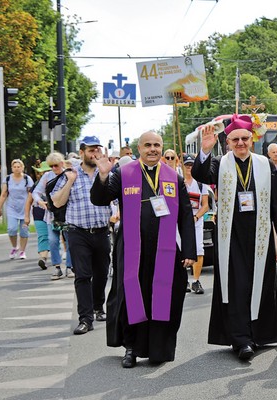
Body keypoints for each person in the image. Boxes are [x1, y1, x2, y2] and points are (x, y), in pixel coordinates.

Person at [91, 131, 196, 368]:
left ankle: (159, 348)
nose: (153, 149)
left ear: (162, 148)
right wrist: (103, 175)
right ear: (139, 148)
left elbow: (186, 216)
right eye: (147, 145)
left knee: (164, 297)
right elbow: (99, 199)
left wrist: (189, 250)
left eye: (157, 145)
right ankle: (131, 348)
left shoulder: (173, 177)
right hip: (131, 249)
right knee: (131, 298)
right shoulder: (123, 173)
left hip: (165, 249)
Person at [192, 114, 277, 361]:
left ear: (252, 139)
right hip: (231, 237)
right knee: (237, 287)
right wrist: (204, 151)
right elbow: (202, 174)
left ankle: (259, 334)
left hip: (261, 234)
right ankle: (241, 339)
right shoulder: (219, 162)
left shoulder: (264, 164)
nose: (240, 143)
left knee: (262, 283)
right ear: (227, 142)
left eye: (245, 138)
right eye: (235, 139)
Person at [50, 136, 112, 335]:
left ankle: (98, 307)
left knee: (102, 273)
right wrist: (69, 182)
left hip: (102, 231)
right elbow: (57, 202)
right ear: (83, 151)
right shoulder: (70, 174)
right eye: (91, 150)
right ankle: (85, 318)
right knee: (83, 275)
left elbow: (116, 198)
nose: (95, 153)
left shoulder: (106, 174)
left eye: (97, 150)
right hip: (78, 232)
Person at [32, 152, 74, 278]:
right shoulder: (47, 176)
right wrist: (40, 202)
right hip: (52, 215)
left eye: (56, 165)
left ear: (61, 163)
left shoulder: (69, 175)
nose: (54, 168)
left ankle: (70, 267)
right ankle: (57, 267)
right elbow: (35, 192)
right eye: (51, 166)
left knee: (69, 241)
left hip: (67, 214)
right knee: (53, 240)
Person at [182, 153, 209, 294]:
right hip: (180, 223)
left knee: (198, 250)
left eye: (192, 165)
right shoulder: (178, 181)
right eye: (186, 165)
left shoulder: (201, 183)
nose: (189, 167)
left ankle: (195, 281)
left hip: (196, 222)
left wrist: (196, 217)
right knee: (181, 250)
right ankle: (184, 280)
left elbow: (206, 205)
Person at [0, 159, 34, 260]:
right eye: (15, 167)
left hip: (24, 208)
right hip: (12, 208)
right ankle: (14, 247)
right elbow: (4, 194)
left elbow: (31, 194)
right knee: (11, 229)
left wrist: (33, 205)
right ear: (12, 168)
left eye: (19, 167)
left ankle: (22, 251)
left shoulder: (27, 179)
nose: (17, 169)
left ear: (22, 168)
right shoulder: (8, 179)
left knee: (24, 231)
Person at [24, 161, 52, 268]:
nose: (46, 174)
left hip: (54, 214)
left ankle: (57, 261)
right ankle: (43, 258)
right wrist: (26, 216)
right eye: (44, 172)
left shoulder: (60, 182)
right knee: (43, 236)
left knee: (54, 239)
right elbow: (28, 201)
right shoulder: (36, 185)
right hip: (39, 213)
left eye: (48, 171)